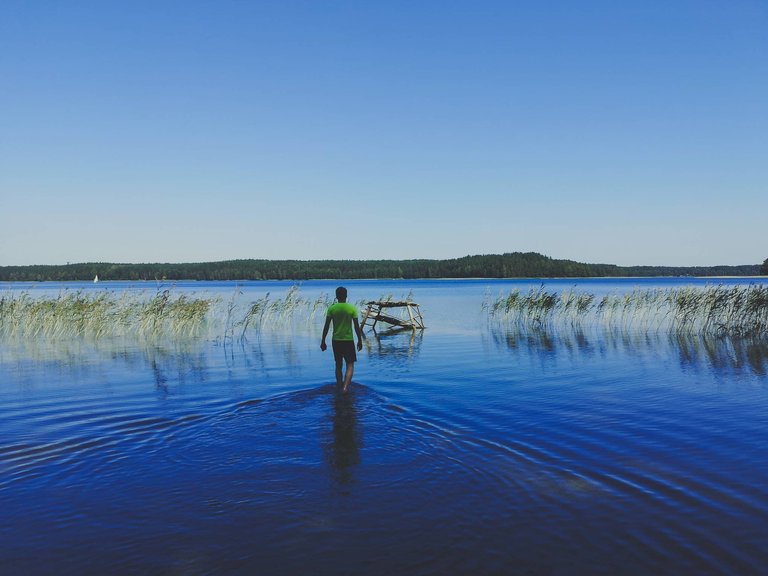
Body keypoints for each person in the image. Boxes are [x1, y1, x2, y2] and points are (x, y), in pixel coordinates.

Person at [321, 286, 363, 392]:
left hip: (336, 341)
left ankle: (339, 387)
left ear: (336, 296)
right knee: (350, 365)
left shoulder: (332, 308)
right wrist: (360, 340)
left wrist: (323, 341)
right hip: (348, 340)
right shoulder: (352, 308)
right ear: (346, 295)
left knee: (338, 365)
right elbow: (356, 327)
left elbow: (326, 326)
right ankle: (345, 388)